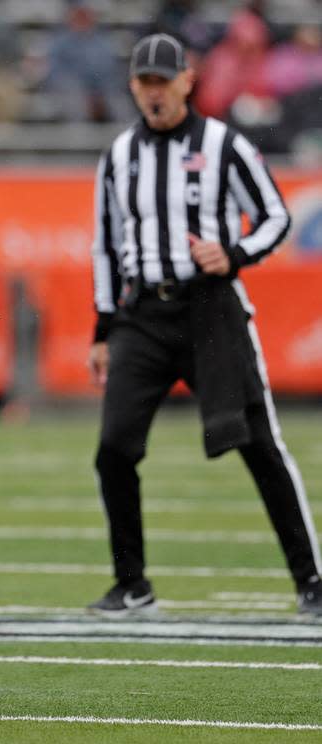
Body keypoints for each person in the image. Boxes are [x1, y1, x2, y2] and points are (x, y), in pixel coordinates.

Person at [87, 33, 321, 618]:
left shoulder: (223, 144)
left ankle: (311, 580)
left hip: (211, 310)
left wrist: (234, 253)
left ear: (188, 80)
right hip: (142, 316)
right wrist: (101, 329)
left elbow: (274, 215)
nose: (154, 93)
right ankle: (132, 584)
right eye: (145, 82)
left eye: (164, 81)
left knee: (260, 446)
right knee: (114, 447)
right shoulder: (119, 155)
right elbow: (106, 246)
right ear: (134, 86)